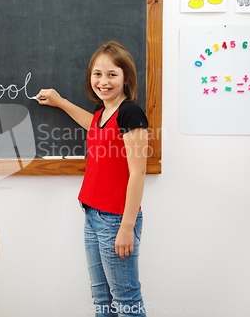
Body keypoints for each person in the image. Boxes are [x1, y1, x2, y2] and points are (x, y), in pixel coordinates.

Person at [36, 41, 148, 317]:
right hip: (92, 214)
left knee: (126, 301)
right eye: (97, 74)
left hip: (115, 219)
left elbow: (138, 172)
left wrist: (127, 227)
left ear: (126, 78)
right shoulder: (102, 113)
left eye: (112, 74)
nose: (103, 81)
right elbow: (92, 124)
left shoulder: (130, 113)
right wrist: (60, 102)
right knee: (102, 300)